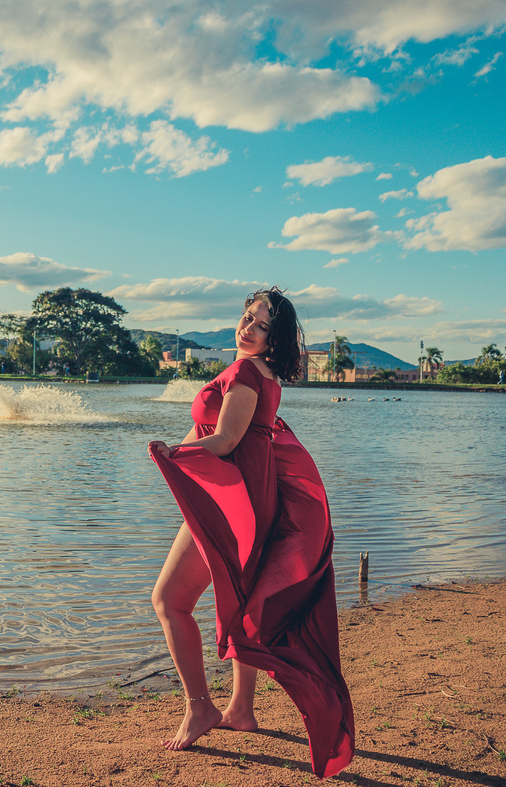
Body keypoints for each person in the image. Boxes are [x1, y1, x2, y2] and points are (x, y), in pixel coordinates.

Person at [148, 287, 354, 778]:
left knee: (168, 601)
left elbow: (224, 441)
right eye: (247, 317)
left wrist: (169, 454)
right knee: (240, 605)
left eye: (260, 324)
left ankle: (200, 707)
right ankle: (240, 708)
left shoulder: (243, 372)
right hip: (250, 503)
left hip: (233, 506)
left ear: (274, 337)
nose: (247, 327)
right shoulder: (267, 375)